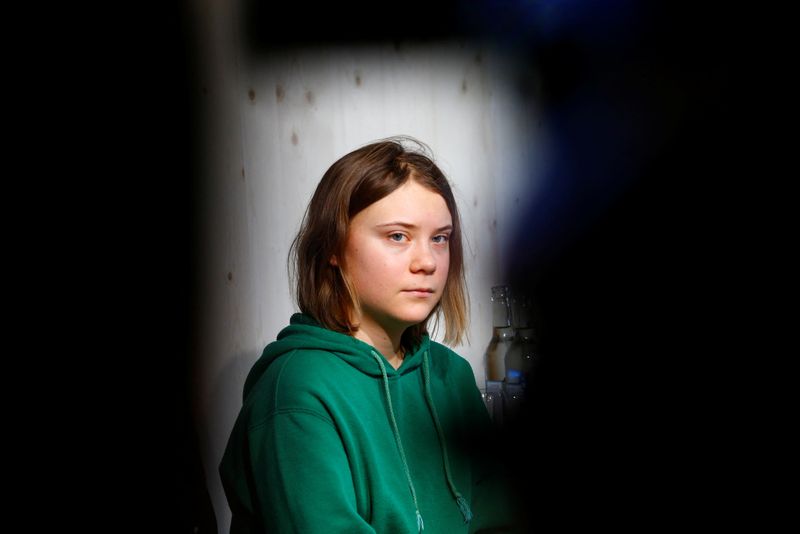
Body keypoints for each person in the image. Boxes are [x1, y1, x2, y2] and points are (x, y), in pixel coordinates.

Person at [219, 137, 522, 533]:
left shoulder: (451, 375)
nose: (427, 262)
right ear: (333, 246)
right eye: (398, 236)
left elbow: (502, 517)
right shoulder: (296, 393)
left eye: (440, 238)